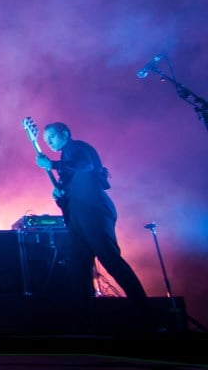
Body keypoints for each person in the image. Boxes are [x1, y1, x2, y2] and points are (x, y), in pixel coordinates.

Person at [35, 122, 151, 330]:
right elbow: (71, 193)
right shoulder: (65, 158)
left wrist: (52, 165)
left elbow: (85, 167)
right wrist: (60, 195)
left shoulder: (78, 148)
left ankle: (147, 316)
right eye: (45, 140)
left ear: (65, 133)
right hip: (79, 218)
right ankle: (82, 325)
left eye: (51, 137)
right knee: (77, 270)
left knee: (111, 261)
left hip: (94, 211)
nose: (49, 142)